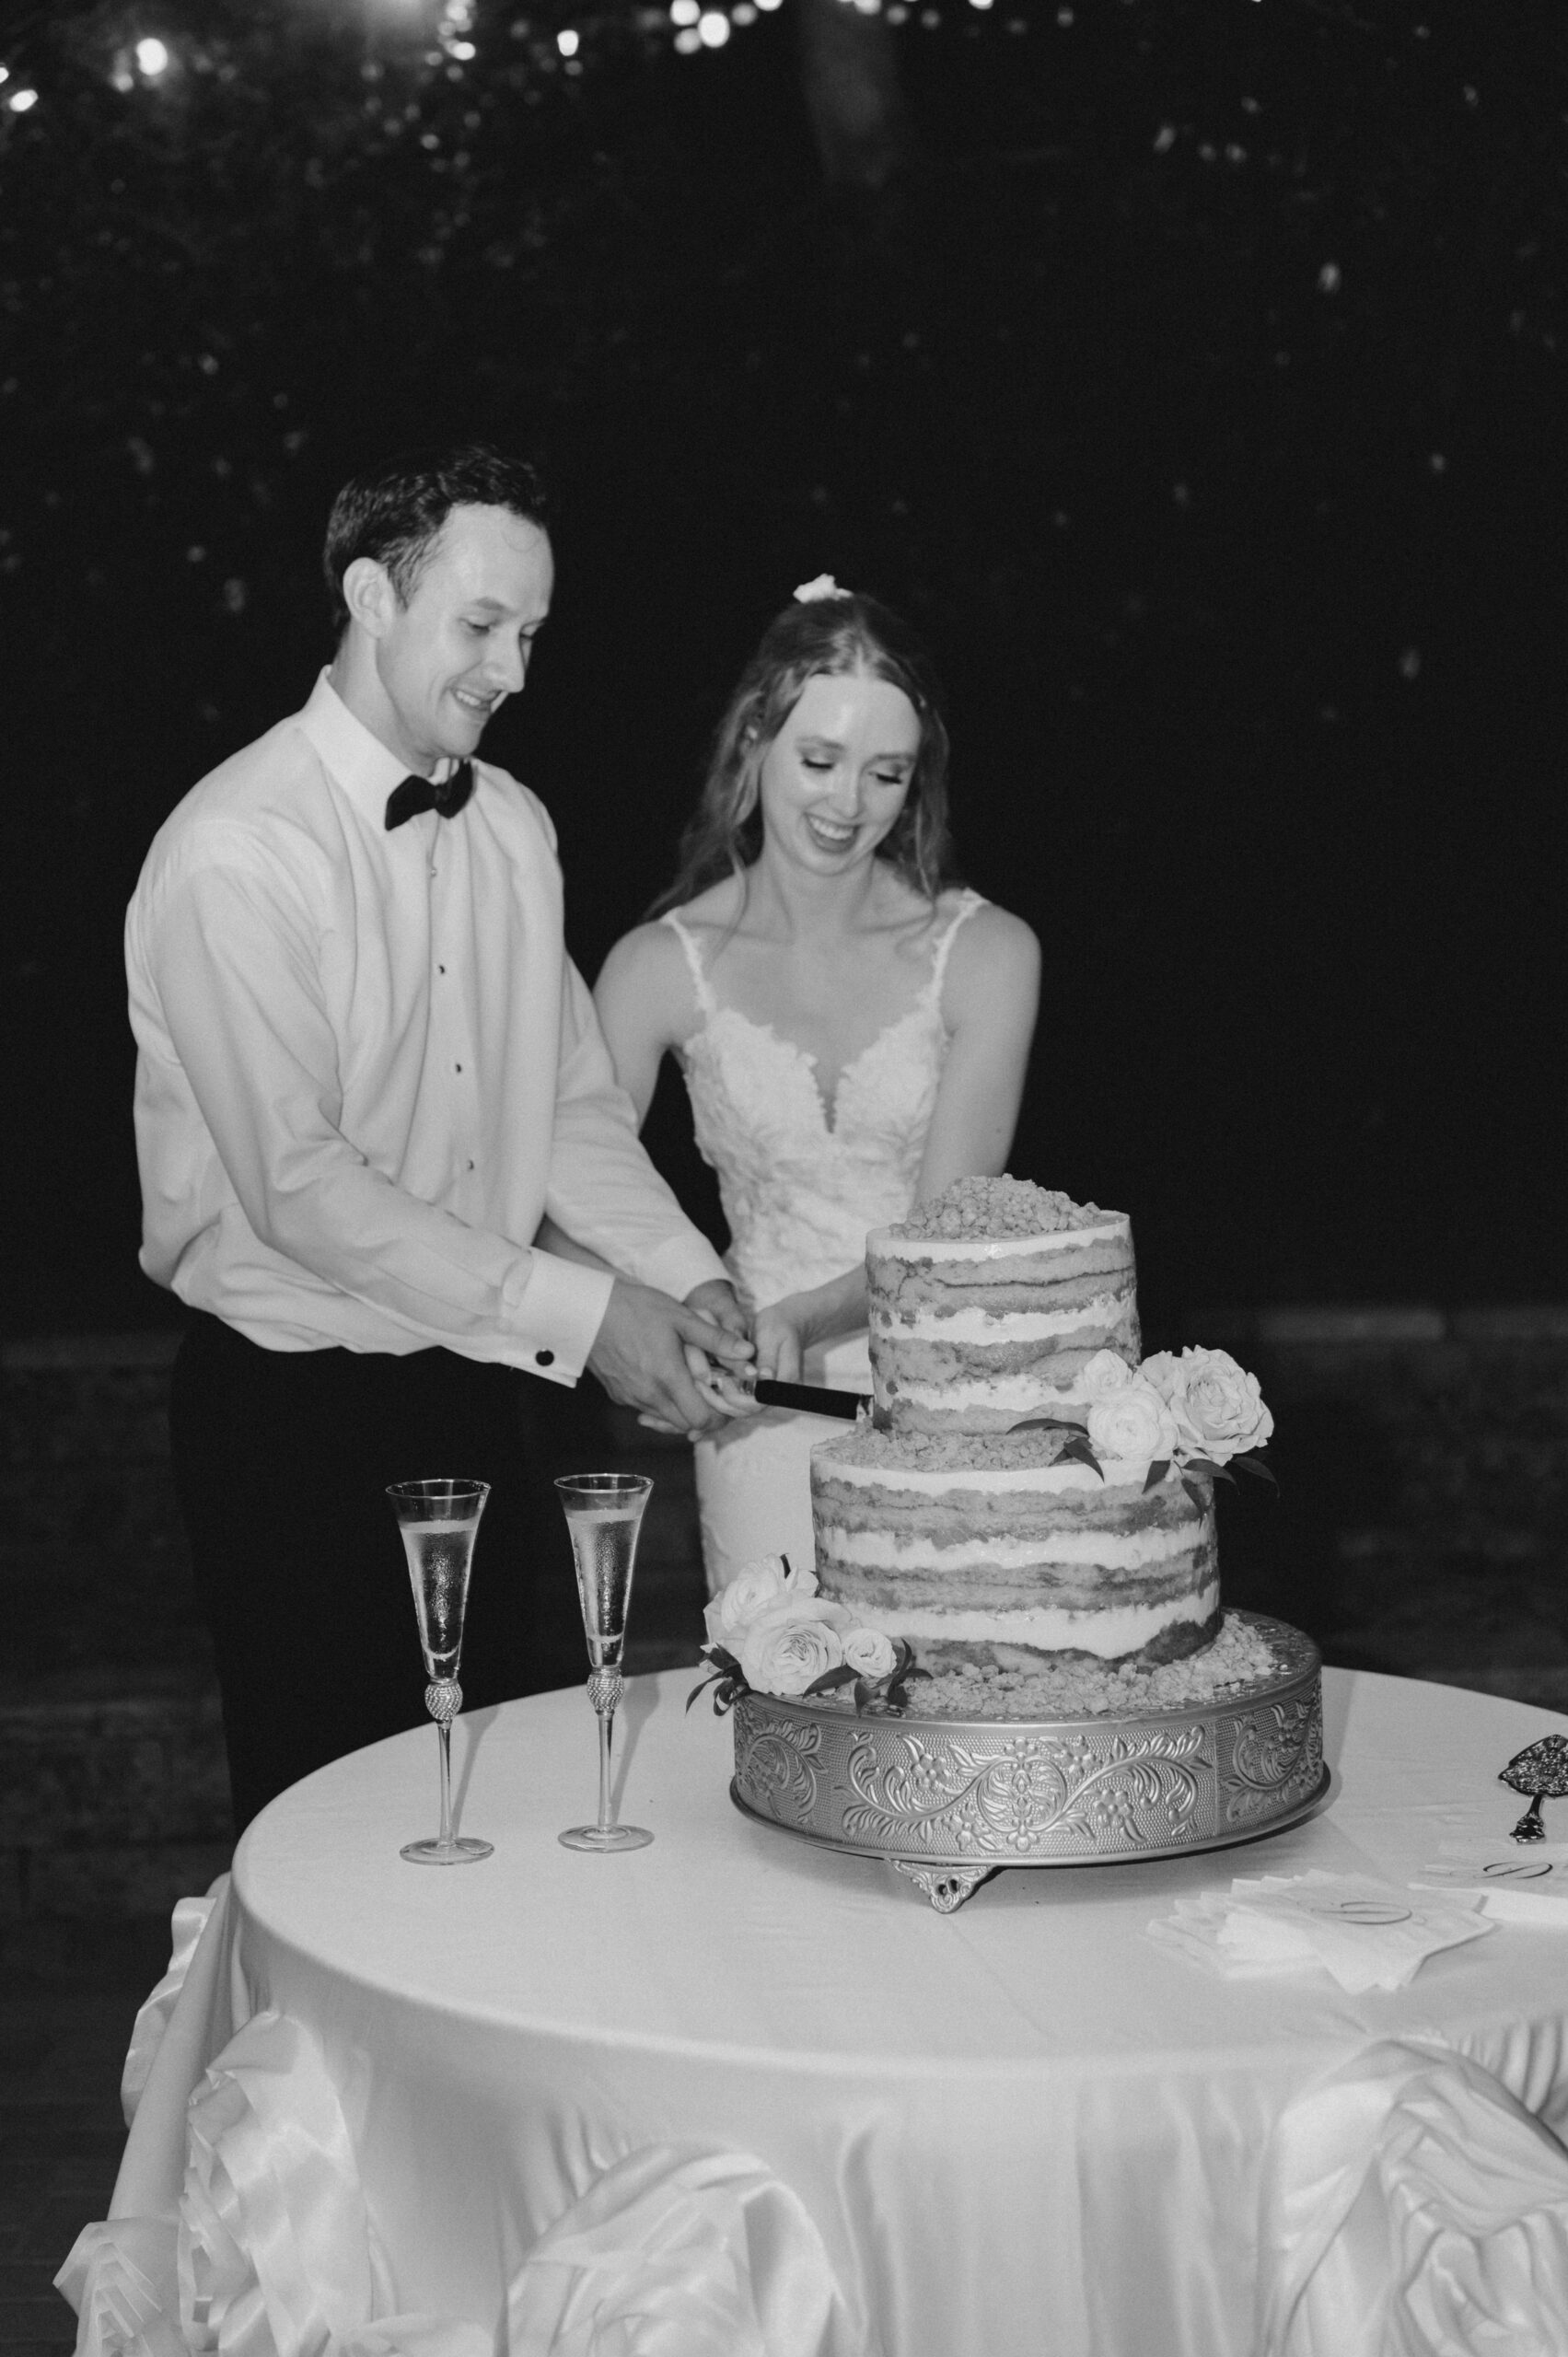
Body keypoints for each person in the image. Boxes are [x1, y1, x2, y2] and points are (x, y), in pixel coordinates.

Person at [125, 443, 751, 1832]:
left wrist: (682, 1273)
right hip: (288, 1413)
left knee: (494, 1810)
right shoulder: (238, 850)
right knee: (330, 1831)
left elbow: (570, 1109)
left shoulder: (515, 829)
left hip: (474, 1391)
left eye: (529, 633)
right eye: (480, 627)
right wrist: (592, 1318)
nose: (513, 670)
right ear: (368, 593)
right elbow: (301, 1192)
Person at [591, 578, 1040, 1591]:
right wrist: (651, 1331)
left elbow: (941, 1232)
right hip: (754, 1413)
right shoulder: (654, 965)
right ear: (754, 737)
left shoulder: (988, 951)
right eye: (819, 760)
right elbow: (572, 1191)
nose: (847, 804)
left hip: (952, 1400)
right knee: (787, 1703)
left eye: (883, 774)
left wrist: (808, 1314)